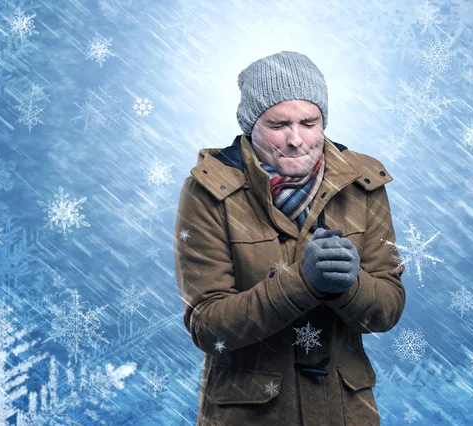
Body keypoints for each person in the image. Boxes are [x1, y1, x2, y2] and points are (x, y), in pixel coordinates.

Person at [174, 50, 406, 426]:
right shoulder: (209, 191)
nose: (297, 139)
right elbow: (209, 327)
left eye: (310, 122)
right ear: (251, 125)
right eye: (279, 124)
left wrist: (350, 286)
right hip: (249, 415)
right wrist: (302, 282)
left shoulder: (364, 185)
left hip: (346, 413)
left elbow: (386, 311)